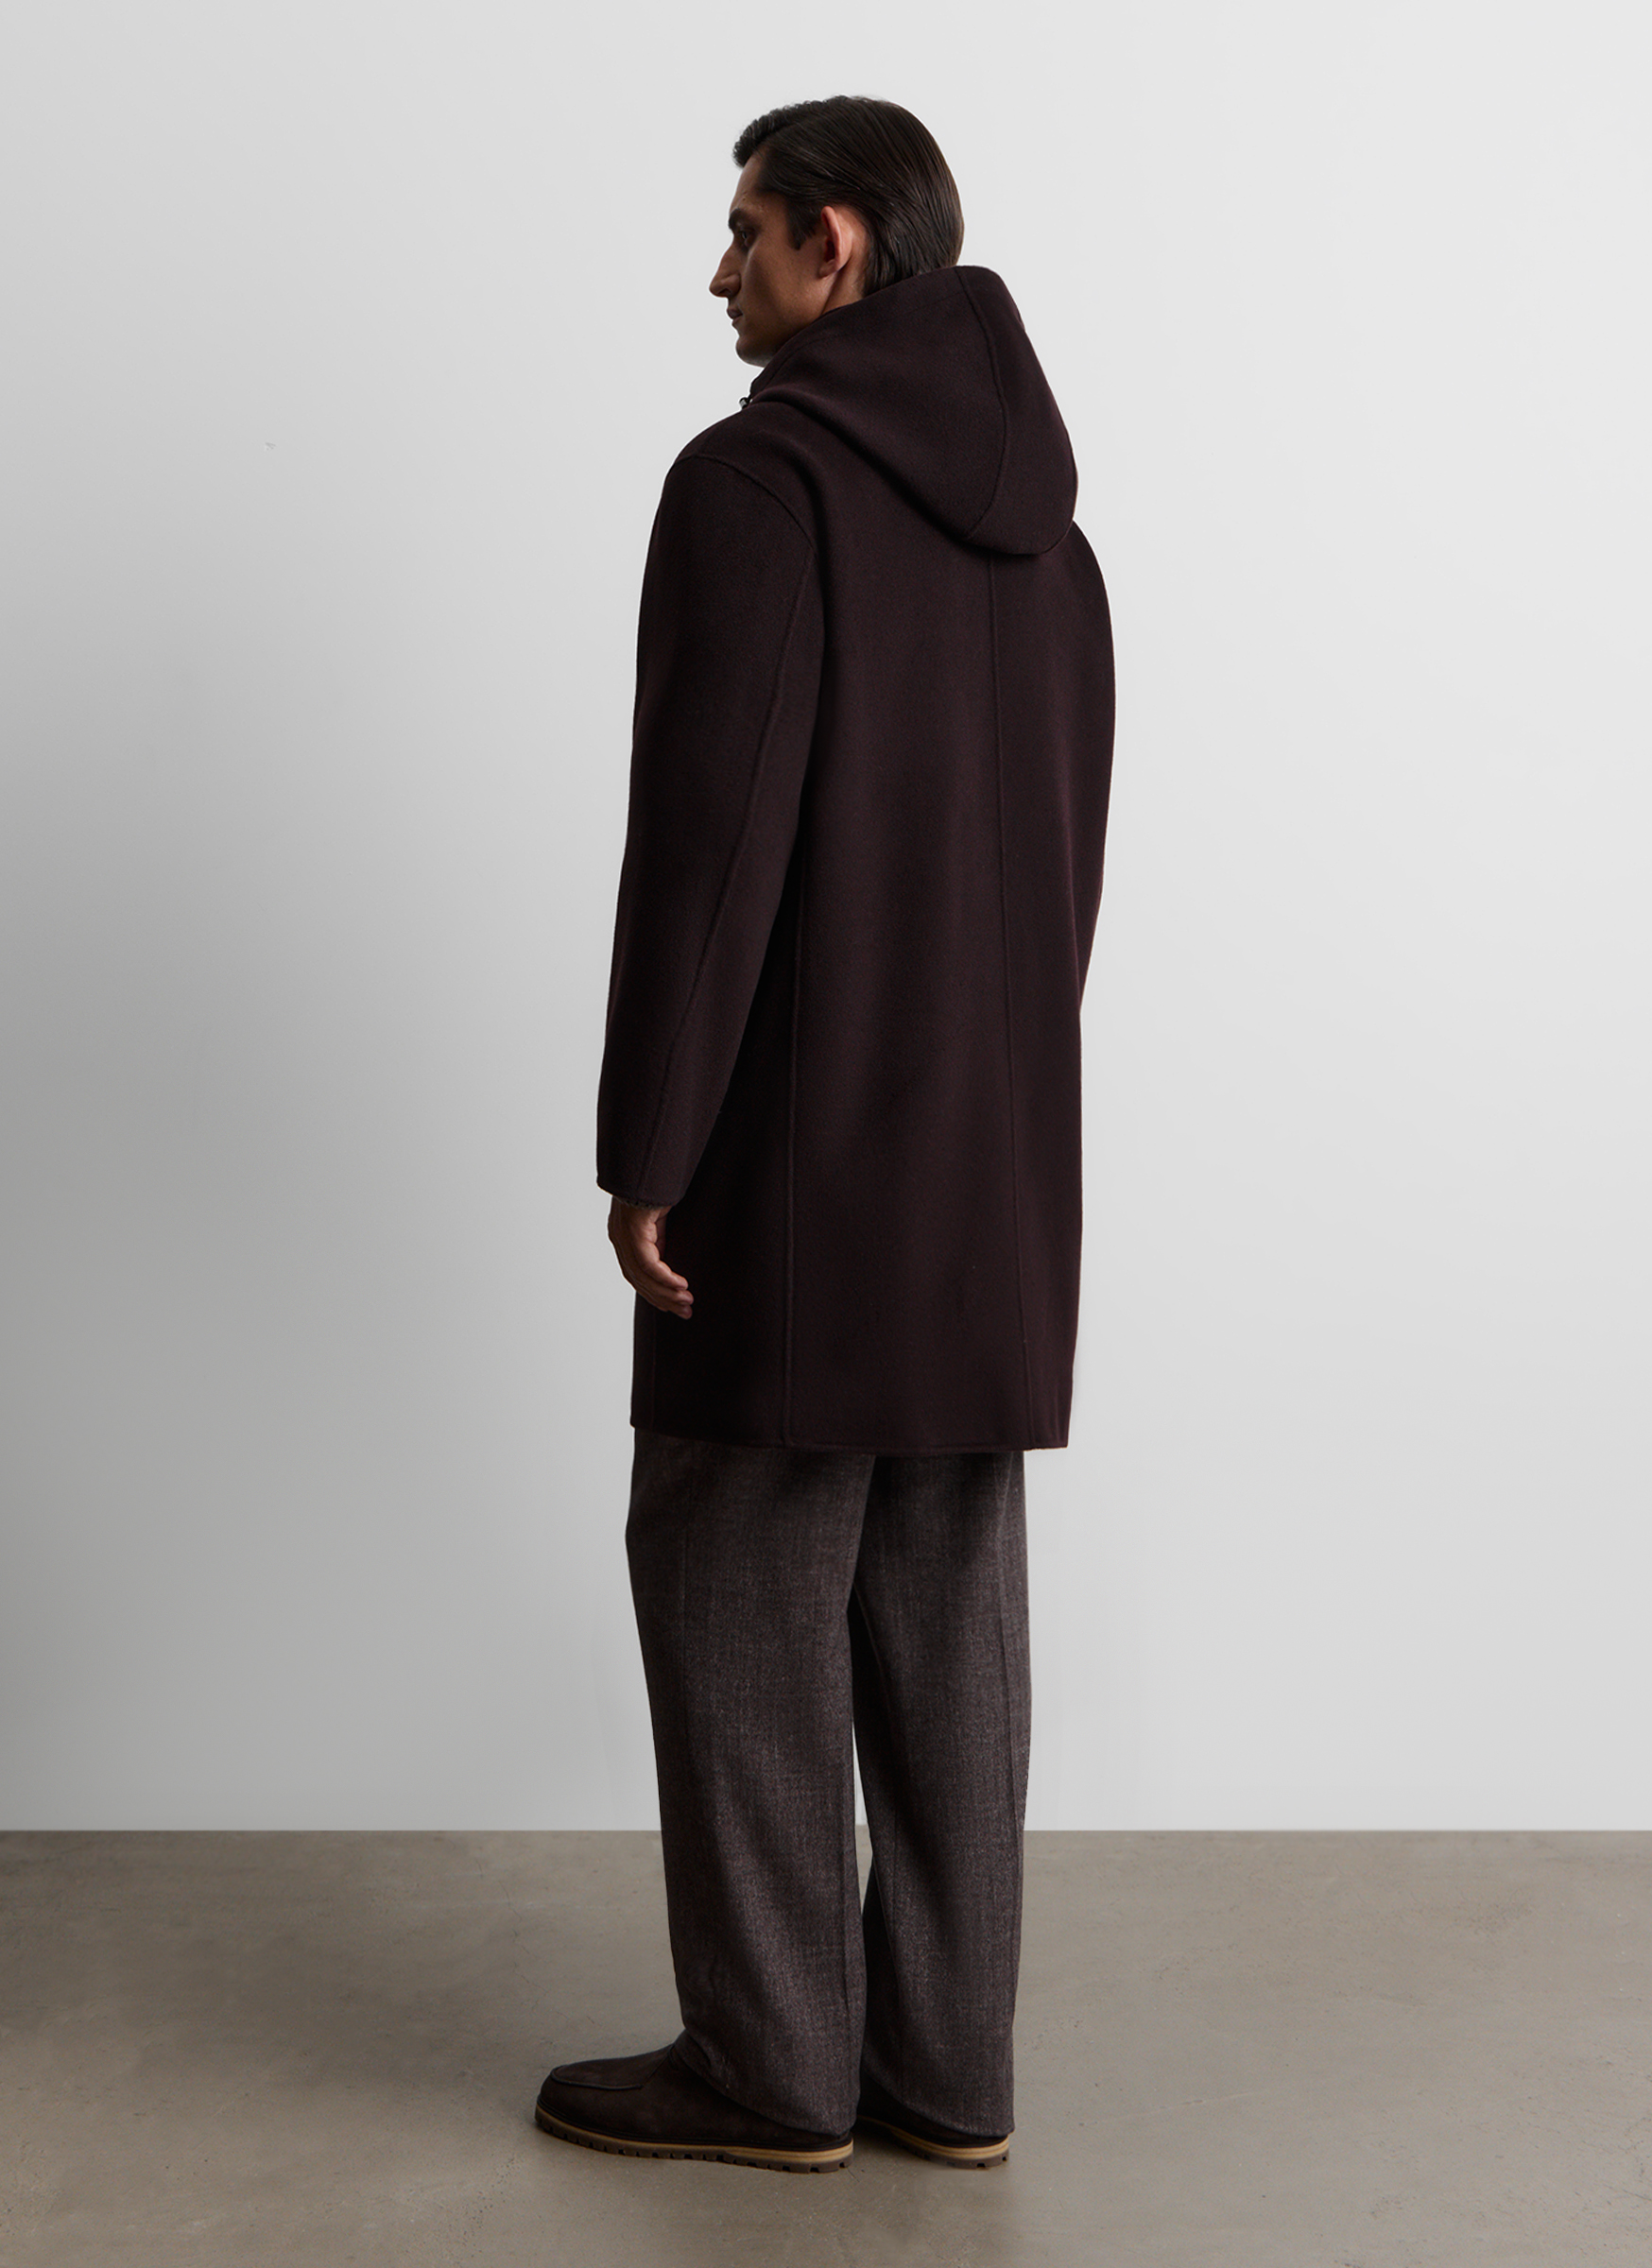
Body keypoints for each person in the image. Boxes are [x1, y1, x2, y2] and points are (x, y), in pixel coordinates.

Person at [533, 94, 1115, 2174]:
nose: (720, 273)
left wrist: (653, 1140)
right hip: (992, 1165)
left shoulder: (756, 485)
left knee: (736, 1582)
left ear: (838, 244)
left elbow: (710, 850)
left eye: (747, 232)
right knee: (946, 1605)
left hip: (795, 1161)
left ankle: (771, 2069)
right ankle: (948, 2077)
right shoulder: (1053, 542)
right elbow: (1066, 868)